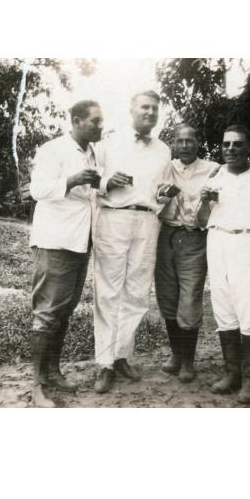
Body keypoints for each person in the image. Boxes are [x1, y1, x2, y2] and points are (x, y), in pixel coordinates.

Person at [92, 90, 171, 393]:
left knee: (137, 293)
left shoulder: (163, 149)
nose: (150, 113)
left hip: (148, 221)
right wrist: (106, 182)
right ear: (131, 109)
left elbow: (161, 191)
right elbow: (91, 180)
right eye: (144, 107)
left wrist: (164, 196)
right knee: (109, 291)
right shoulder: (108, 144)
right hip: (114, 217)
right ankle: (104, 364)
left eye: (154, 108)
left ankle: (121, 356)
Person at [28, 100, 103, 407]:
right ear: (76, 120)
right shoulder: (52, 150)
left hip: (80, 240)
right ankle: (37, 386)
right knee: (46, 313)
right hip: (56, 241)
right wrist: (73, 180)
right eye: (95, 121)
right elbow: (37, 190)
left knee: (64, 310)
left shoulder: (92, 152)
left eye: (101, 122)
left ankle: (53, 372)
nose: (100, 127)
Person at [196, 125, 250, 404]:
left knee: (249, 312)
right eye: (226, 144)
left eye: (237, 144)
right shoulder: (214, 176)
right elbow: (202, 220)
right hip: (218, 243)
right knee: (224, 310)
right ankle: (233, 374)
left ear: (249, 147)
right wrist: (204, 202)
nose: (230, 149)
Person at [154, 124, 219, 382]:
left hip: (194, 237)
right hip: (166, 235)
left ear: (198, 142)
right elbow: (152, 192)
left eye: (189, 141)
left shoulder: (213, 169)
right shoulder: (165, 167)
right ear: (173, 143)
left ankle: (188, 362)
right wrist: (162, 195)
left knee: (190, 297)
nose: (184, 146)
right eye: (179, 141)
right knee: (167, 295)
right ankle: (176, 354)